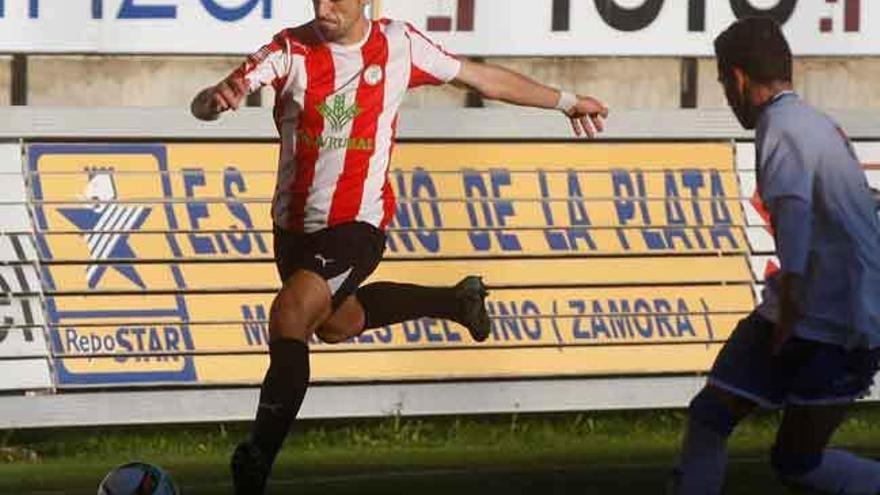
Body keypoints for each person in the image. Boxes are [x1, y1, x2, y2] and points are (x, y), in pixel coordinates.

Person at [190, 1, 609, 493]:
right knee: (334, 324)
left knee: (290, 315)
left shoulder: (399, 44)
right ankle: (454, 300)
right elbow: (205, 103)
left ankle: (257, 456)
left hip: (357, 223)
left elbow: (482, 79)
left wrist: (566, 101)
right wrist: (215, 100)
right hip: (293, 230)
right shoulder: (290, 49)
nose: (324, 7)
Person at [670, 17, 880, 494]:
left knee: (793, 461)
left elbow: (795, 217)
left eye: (725, 82)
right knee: (721, 423)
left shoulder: (779, 127)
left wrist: (790, 308)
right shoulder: (811, 121)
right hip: (837, 311)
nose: (727, 95)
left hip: (833, 323)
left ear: (738, 78)